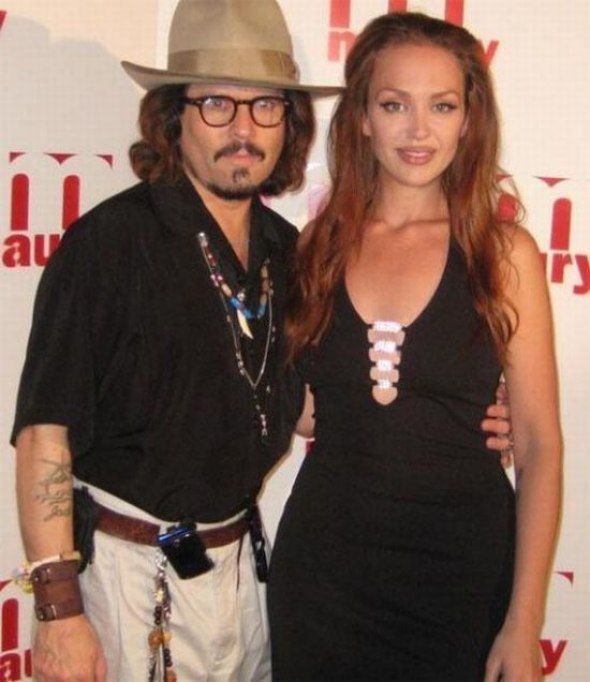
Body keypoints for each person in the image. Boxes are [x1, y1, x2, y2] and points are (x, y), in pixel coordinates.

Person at [11, 2, 511, 681]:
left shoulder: (291, 252)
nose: (242, 130)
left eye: (265, 106)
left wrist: (470, 409)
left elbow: (312, 402)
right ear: (174, 116)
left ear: (289, 122)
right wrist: (57, 608)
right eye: (216, 103)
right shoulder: (110, 245)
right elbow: (45, 432)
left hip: (246, 572)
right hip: (128, 582)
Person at [268, 11, 561, 682]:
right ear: (363, 118)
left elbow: (541, 447)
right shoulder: (316, 248)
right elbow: (304, 409)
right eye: (395, 104)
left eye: (442, 105)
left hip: (462, 581)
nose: (418, 130)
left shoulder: (504, 255)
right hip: (323, 582)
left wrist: (524, 622)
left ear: (469, 120)